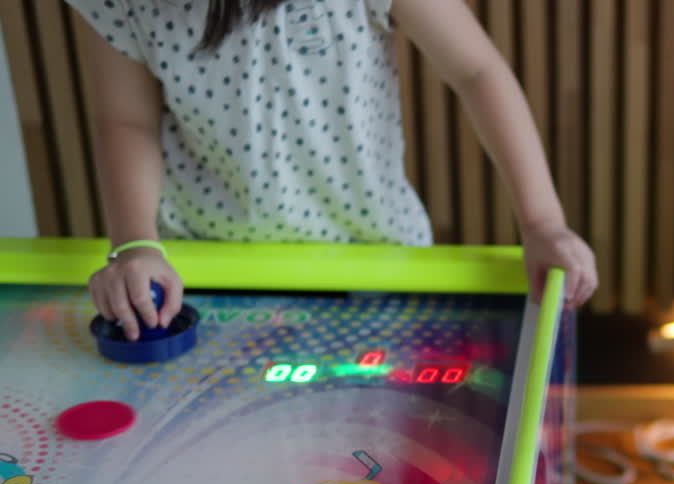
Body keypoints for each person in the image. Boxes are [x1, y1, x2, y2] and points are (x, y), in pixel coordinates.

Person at [67, 0, 598, 341]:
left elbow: (476, 70)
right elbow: (126, 120)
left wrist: (541, 222)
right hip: (206, 267)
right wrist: (135, 244)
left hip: (373, 259)